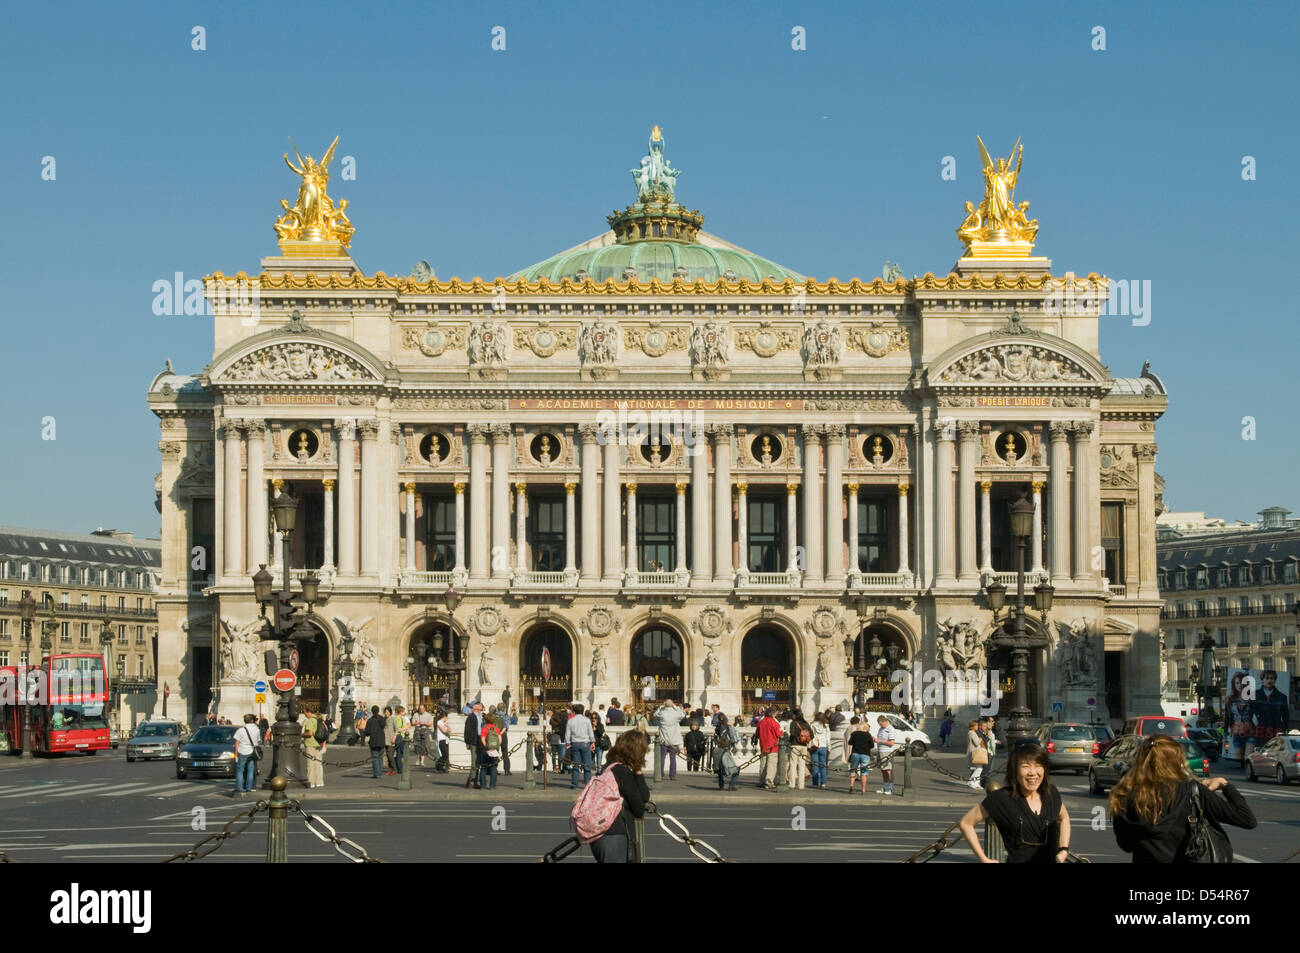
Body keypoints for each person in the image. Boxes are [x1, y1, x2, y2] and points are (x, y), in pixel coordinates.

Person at [1111, 734, 1257, 862]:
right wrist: (1226, 786)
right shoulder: (1192, 791)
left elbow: (1126, 845)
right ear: (1176, 761)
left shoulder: (1125, 795)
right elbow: (1246, 819)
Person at [958, 742, 1071, 863]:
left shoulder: (1051, 793)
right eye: (1025, 766)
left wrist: (1063, 849)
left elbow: (1064, 818)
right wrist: (984, 859)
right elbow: (966, 823)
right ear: (1014, 770)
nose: (1032, 772)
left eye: (1038, 765)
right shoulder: (1002, 799)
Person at [588, 730, 651, 863]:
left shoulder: (609, 767)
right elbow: (639, 808)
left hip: (602, 833)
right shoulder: (621, 771)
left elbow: (644, 796)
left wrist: (637, 771)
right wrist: (638, 771)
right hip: (615, 834)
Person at [566, 703, 597, 789]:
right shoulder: (587, 720)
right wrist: (592, 742)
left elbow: (567, 734)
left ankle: (575, 784)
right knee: (587, 764)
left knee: (575, 764)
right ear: (582, 711)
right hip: (585, 742)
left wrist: (568, 743)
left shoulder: (570, 721)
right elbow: (590, 732)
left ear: (574, 711)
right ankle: (587, 784)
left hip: (575, 743)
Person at [655, 698, 686, 781]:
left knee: (662, 758)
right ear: (672, 704)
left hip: (663, 739)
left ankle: (660, 774)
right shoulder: (676, 713)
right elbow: (683, 714)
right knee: (673, 758)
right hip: (674, 740)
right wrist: (675, 706)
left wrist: (661, 706)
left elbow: (655, 715)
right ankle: (672, 775)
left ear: (665, 704)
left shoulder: (662, 713)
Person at [846, 717, 875, 794]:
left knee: (853, 770)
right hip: (865, 754)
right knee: (864, 772)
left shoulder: (854, 734)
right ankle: (863, 789)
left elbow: (850, 743)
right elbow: (872, 746)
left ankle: (851, 785)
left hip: (855, 753)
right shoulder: (868, 735)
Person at [233, 714, 260, 794]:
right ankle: (249, 787)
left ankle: (239, 787)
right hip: (252, 752)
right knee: (250, 771)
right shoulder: (257, 730)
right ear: (252, 721)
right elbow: (258, 741)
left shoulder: (241, 730)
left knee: (240, 771)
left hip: (243, 751)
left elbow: (237, 742)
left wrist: (236, 753)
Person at [787, 708, 812, 790]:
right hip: (804, 746)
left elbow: (792, 733)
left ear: (795, 715)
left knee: (793, 764)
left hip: (795, 745)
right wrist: (804, 739)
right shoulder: (806, 724)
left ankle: (792, 784)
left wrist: (797, 737)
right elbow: (812, 735)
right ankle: (801, 785)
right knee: (802, 765)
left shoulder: (793, 723)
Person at [757, 708, 782, 790]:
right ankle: (769, 782)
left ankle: (761, 781)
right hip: (773, 747)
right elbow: (779, 734)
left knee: (763, 764)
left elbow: (757, 734)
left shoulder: (761, 722)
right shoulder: (774, 723)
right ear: (772, 714)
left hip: (763, 746)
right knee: (771, 765)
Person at [713, 714, 740, 790]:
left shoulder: (717, 727)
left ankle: (721, 785)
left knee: (720, 770)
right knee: (735, 771)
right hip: (725, 749)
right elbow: (729, 737)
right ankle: (731, 785)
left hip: (721, 748)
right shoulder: (726, 727)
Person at [463, 702, 485, 789]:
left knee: (477, 762)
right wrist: (467, 742)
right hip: (474, 741)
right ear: (476, 708)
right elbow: (467, 731)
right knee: (474, 762)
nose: (482, 709)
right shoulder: (471, 717)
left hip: (479, 740)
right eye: (481, 707)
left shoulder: (480, 717)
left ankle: (472, 780)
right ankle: (472, 781)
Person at [874, 715, 898, 795]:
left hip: (887, 752)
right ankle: (885, 786)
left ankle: (890, 788)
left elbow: (891, 743)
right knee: (883, 770)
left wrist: (880, 741)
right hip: (880, 751)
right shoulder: (881, 729)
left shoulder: (890, 729)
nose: (880, 726)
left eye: (881, 724)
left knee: (888, 770)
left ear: (885, 722)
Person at [302, 707, 325, 789]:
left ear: (308, 712)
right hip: (318, 744)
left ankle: (311, 782)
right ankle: (319, 782)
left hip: (311, 744)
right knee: (318, 764)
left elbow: (310, 733)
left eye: (304, 712)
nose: (304, 714)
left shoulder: (310, 720)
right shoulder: (318, 719)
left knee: (310, 764)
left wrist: (302, 734)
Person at [480, 714, 504, 789]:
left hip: (486, 750)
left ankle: (483, 785)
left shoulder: (484, 728)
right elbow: (500, 740)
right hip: (494, 751)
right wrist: (495, 748)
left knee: (483, 767)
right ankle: (492, 785)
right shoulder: (496, 729)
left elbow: (483, 740)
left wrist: (487, 747)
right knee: (493, 768)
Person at [364, 706, 387, 779]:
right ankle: (379, 772)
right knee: (380, 757)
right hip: (381, 740)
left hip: (374, 741)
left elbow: (367, 732)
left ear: (372, 711)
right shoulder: (382, 719)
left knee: (375, 757)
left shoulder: (370, 720)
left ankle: (377, 773)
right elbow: (383, 726)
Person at [810, 712, 831, 789]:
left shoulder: (812, 725)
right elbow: (828, 738)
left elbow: (810, 736)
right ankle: (823, 783)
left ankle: (815, 783)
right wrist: (829, 747)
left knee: (815, 765)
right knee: (823, 766)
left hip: (814, 746)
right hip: (823, 746)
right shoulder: (826, 726)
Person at [966, 719, 988, 788]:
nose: (977, 727)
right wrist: (980, 739)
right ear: (973, 726)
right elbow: (977, 742)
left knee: (978, 768)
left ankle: (975, 782)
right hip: (975, 752)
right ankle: (971, 781)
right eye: (976, 725)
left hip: (974, 751)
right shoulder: (972, 733)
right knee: (979, 768)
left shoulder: (971, 732)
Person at [434, 708, 450, 773]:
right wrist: (447, 728)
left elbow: (449, 731)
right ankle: (439, 767)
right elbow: (445, 730)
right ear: (445, 717)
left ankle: (441, 767)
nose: (447, 719)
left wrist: (447, 728)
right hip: (441, 740)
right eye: (446, 717)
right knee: (444, 754)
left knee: (445, 754)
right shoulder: (439, 722)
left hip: (445, 740)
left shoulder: (444, 723)